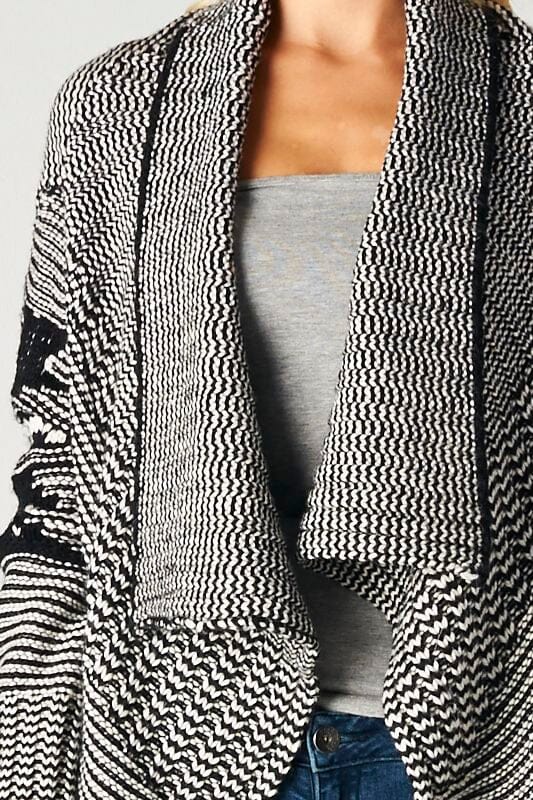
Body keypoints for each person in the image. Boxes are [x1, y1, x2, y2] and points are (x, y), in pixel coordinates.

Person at [1, 0, 531, 798]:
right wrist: (27, 745)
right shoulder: (116, 103)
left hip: (477, 727)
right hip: (173, 730)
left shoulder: (516, 97)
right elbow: (63, 458)